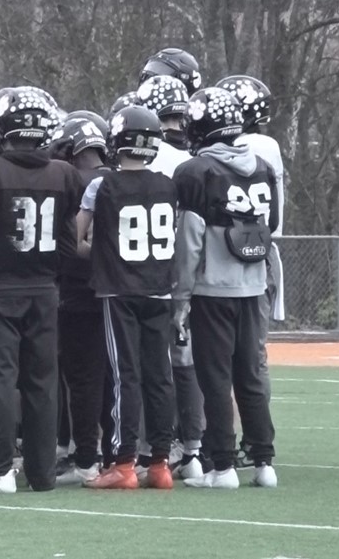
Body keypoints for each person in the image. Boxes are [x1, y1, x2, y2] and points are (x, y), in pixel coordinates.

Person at [0, 87, 82, 494]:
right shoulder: (64, 174)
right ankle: (42, 473)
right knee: (42, 382)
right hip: (44, 290)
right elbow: (66, 245)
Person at [173, 87, 278, 489]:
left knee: (214, 378)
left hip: (213, 290)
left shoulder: (196, 172)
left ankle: (223, 466)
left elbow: (190, 241)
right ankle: (264, 462)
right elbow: (270, 229)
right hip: (254, 287)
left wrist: (180, 299)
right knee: (249, 375)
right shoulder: (263, 166)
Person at [76, 104, 177, 490]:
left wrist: (103, 251)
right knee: (160, 375)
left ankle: (124, 462)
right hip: (159, 289)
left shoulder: (103, 185)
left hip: (119, 289)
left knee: (126, 376)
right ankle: (161, 462)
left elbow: (78, 240)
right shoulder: (169, 183)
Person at [137, 74, 205, 480]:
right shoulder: (195, 157)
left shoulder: (157, 156)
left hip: (155, 270)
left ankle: (158, 446)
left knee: (157, 362)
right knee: (191, 359)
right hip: (199, 270)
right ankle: (197, 447)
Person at [217, 75, 284, 467]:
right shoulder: (266, 148)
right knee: (252, 358)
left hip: (235, 261)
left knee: (232, 361)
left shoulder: (252, 147)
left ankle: (225, 443)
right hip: (261, 255)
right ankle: (257, 444)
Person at [46, 113, 112, 486]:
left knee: (82, 378)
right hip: (122, 290)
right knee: (115, 376)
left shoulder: (69, 182)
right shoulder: (118, 177)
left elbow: (70, 243)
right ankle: (118, 451)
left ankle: (86, 455)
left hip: (77, 290)